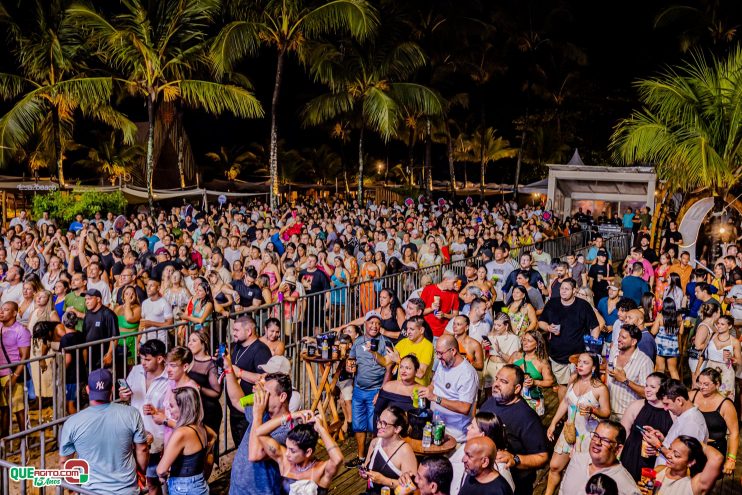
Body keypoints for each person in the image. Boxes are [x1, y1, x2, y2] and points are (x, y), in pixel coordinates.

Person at [59, 368, 149, 495]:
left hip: (89, 491)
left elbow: (65, 462)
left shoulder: (72, 423)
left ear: (88, 389)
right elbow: (142, 449)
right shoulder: (132, 413)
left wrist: (74, 489)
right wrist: (140, 472)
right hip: (126, 490)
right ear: (112, 389)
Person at [545, 353, 611, 495]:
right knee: (555, 466)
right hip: (569, 430)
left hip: (586, 435)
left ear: (594, 367)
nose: (580, 365)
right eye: (579, 362)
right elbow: (565, 402)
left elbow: (606, 413)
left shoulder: (600, 388)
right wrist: (553, 422)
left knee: (579, 472)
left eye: (585, 363)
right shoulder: (573, 380)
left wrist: (593, 410)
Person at [223, 363, 292, 495]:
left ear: (282, 397)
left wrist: (258, 415)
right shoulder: (264, 413)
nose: (261, 397)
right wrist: (228, 369)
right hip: (237, 489)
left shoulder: (287, 430)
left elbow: (256, 454)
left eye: (266, 393)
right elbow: (236, 400)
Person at [480, 365, 549, 495]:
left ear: (517, 388)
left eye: (504, 382)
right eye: (497, 379)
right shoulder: (490, 402)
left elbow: (542, 457)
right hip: (488, 479)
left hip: (516, 486)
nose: (496, 384)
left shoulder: (527, 417)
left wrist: (515, 459)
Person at [119, 339, 169, 495]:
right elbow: (127, 397)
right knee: (140, 479)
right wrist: (124, 395)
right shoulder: (136, 370)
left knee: (156, 480)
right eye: (142, 358)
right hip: (135, 435)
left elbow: (176, 409)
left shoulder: (170, 377)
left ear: (160, 358)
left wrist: (158, 411)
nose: (143, 363)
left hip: (158, 439)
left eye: (147, 359)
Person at [255, 409, 343, 495]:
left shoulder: (321, 471)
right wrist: (290, 416)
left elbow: (338, 459)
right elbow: (259, 432)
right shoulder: (285, 461)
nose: (287, 453)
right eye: (287, 448)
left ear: (308, 452)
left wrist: (320, 428)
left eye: (292, 450)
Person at [538, 278, 600, 400]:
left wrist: (591, 349)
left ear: (574, 290)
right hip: (557, 356)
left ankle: (577, 415)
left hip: (578, 356)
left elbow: (595, 327)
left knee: (578, 385)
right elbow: (541, 322)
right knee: (562, 386)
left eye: (567, 289)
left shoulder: (583, 306)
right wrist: (548, 327)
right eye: (562, 288)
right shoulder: (552, 303)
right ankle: (564, 416)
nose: (563, 291)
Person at [346, 313, 393, 467]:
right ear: (365, 324)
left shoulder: (385, 343)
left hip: (376, 390)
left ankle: (373, 459)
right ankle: (361, 457)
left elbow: (389, 369)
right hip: (359, 390)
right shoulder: (358, 342)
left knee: (375, 426)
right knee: (358, 425)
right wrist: (349, 365)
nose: (374, 326)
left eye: (377, 323)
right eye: (371, 322)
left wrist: (382, 391)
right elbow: (351, 359)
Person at [419, 334, 479, 442]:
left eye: (440, 353)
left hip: (454, 436)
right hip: (437, 428)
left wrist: (435, 398)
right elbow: (434, 383)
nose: (438, 356)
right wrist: (428, 390)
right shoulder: (444, 363)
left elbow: (464, 408)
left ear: (453, 351)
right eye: (437, 352)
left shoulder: (467, 374)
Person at [156, 387, 216, 495]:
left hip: (184, 488)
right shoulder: (201, 427)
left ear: (183, 407)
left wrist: (162, 476)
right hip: (199, 483)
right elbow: (214, 436)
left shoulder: (181, 433)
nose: (169, 410)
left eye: (172, 406)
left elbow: (161, 469)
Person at [557, 421, 639, 495]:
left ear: (618, 449)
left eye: (605, 440)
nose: (597, 442)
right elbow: (562, 490)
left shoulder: (626, 485)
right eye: (596, 436)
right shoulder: (577, 459)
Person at [227, 315, 272, 446]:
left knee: (249, 447)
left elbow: (264, 378)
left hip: (250, 410)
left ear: (249, 331)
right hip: (236, 409)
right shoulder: (237, 346)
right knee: (238, 445)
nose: (233, 333)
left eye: (236, 330)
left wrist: (239, 372)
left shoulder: (260, 350)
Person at [619, 372, 674, 481]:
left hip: (657, 460)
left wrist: (660, 448)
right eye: (646, 386)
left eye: (652, 387)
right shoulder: (636, 406)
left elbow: (675, 442)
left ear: (663, 389)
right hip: (631, 456)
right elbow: (622, 434)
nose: (647, 390)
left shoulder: (672, 412)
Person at [644, 379, 709, 469]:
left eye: (667, 404)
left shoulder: (692, 423)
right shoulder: (685, 415)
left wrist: (658, 446)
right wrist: (663, 440)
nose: (665, 409)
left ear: (679, 400)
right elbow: (678, 446)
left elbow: (682, 459)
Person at [450, 412, 515, 493]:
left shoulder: (500, 466)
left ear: (482, 435)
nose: (468, 428)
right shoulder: (465, 447)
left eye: (472, 427)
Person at [690, 368, 738, 475]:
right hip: (692, 447)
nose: (701, 387)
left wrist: (731, 459)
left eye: (706, 384)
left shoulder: (726, 405)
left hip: (714, 450)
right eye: (700, 383)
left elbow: (734, 433)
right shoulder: (692, 396)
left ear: (717, 384)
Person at [361, 406, 418, 493]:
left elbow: (410, 488)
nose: (378, 426)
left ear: (397, 429)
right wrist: (364, 473)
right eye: (379, 421)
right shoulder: (375, 443)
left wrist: (384, 481)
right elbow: (366, 467)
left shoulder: (405, 451)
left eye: (384, 423)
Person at [606, 324, 654, 421]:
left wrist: (625, 381)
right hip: (608, 410)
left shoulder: (644, 361)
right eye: (619, 335)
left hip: (627, 415)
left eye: (623, 337)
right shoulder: (614, 349)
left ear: (633, 342)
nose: (618, 339)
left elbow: (648, 393)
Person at [0, 301, 31, 437]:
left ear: (14, 313)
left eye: (6, 310)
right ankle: (4, 440)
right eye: (1, 309)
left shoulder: (21, 330)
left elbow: (24, 356)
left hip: (12, 373)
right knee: (3, 409)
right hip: (1, 373)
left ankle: (25, 440)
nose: (1, 312)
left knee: (18, 408)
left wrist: (15, 377)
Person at [186, 331, 223, 446]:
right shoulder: (188, 361)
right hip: (193, 409)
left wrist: (198, 387)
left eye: (194, 341)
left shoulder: (211, 364)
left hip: (208, 410)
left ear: (203, 343)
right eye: (189, 340)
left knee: (208, 445)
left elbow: (217, 392)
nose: (189, 344)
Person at [654, 436, 723, 495]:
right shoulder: (659, 469)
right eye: (670, 448)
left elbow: (717, 458)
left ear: (690, 462)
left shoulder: (693, 486)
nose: (668, 455)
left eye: (676, 455)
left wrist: (700, 445)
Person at [508, 330, 554, 416]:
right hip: (513, 397)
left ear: (537, 344)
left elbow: (550, 381)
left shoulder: (541, 362)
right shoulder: (515, 356)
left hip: (532, 400)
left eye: (529, 341)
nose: (525, 343)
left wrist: (535, 382)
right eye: (524, 340)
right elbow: (506, 371)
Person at [695, 315, 740, 399]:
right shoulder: (712, 336)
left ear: (729, 326)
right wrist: (698, 370)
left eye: (722, 324)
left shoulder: (734, 342)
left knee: (724, 398)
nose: (719, 326)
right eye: (718, 323)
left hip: (726, 373)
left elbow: (740, 361)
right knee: (707, 395)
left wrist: (731, 358)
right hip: (710, 370)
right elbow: (703, 353)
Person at [82, 288, 119, 369]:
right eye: (85, 299)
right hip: (90, 356)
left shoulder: (108, 314)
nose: (87, 302)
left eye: (89, 299)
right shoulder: (88, 314)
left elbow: (115, 337)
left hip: (103, 356)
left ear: (98, 299)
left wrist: (109, 354)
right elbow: (84, 337)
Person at [421, 270, 461, 339]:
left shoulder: (454, 294)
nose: (455, 285)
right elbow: (419, 312)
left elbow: (456, 315)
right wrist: (431, 308)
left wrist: (444, 315)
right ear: (446, 280)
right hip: (425, 331)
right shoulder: (428, 289)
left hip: (442, 333)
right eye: (454, 282)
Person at [651, 297, 683, 380]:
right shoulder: (679, 317)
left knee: (660, 370)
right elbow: (681, 332)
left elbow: (653, 332)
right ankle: (677, 391)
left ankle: (658, 390)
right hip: (673, 347)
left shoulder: (660, 316)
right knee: (673, 371)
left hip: (661, 346)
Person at [140, 278, 174, 346]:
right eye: (147, 285)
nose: (148, 288)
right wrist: (138, 341)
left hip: (160, 341)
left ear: (158, 288)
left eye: (151, 286)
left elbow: (170, 324)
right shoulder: (144, 303)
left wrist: (152, 323)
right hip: (145, 340)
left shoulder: (164, 303)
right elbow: (141, 324)